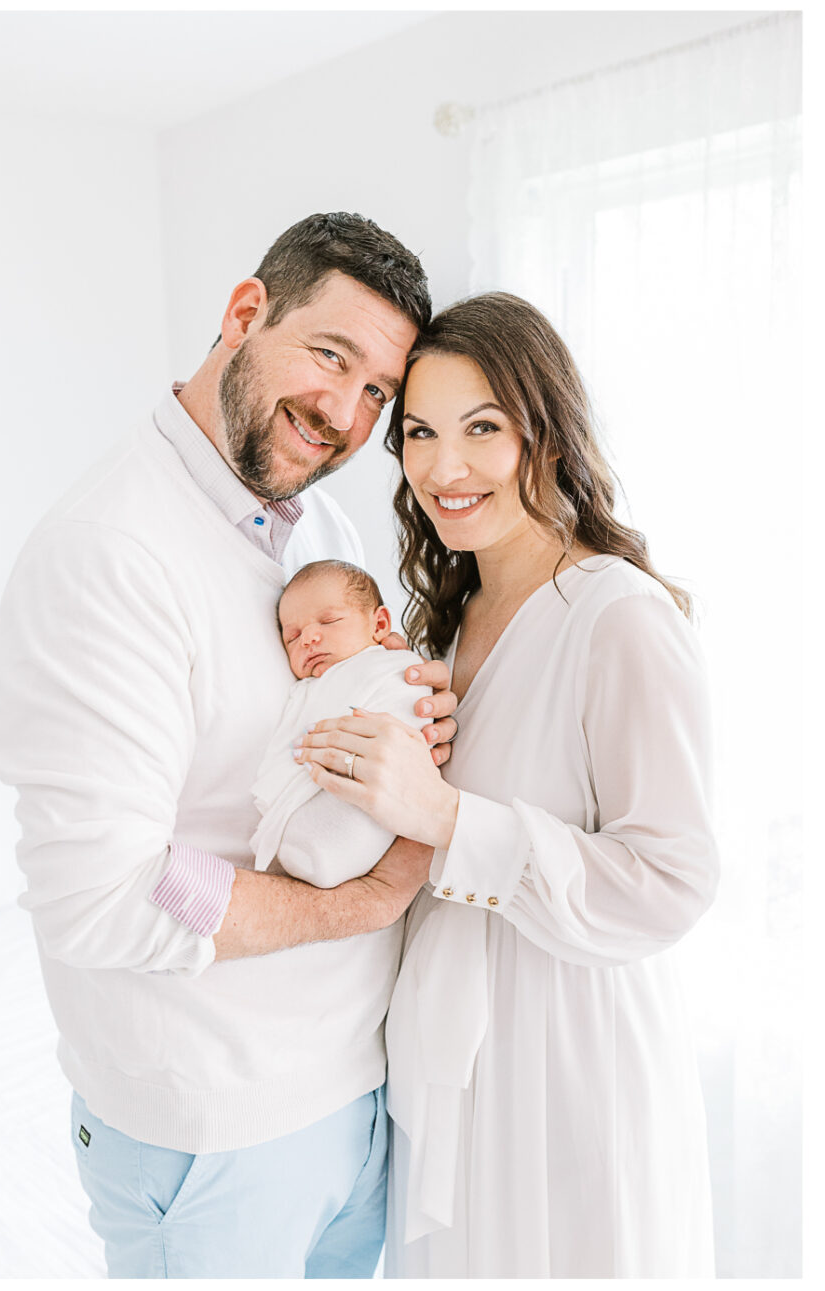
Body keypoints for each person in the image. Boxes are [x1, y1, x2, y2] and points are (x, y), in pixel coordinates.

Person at [0, 212, 457, 1278]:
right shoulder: (109, 556)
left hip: (356, 1097)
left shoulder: (312, 530)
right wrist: (364, 901)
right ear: (245, 314)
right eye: (330, 356)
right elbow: (102, 893)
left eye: (378, 392)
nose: (344, 412)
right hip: (217, 1133)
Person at [294, 292, 718, 1276]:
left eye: (483, 427)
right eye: (419, 432)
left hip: (572, 1061)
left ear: (548, 429)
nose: (445, 468)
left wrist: (444, 817)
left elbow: (675, 879)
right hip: (454, 1063)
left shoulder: (618, 617)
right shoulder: (443, 615)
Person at [251, 560, 431, 889]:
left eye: (329, 621)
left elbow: (407, 714)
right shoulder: (306, 690)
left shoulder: (391, 669)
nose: (308, 638)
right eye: (292, 637)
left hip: (366, 810)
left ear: (379, 624)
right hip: (301, 824)